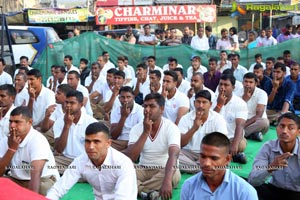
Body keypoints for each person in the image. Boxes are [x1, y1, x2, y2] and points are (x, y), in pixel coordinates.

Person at [47, 122, 137, 199]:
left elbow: (123, 198)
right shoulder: (81, 161)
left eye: (96, 142)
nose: (91, 147)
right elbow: (58, 189)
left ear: (108, 143)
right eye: (87, 141)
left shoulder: (123, 163)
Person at [126, 93, 181, 200]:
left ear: (162, 109)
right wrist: (146, 132)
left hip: (164, 169)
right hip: (143, 169)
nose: (147, 109)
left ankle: (137, 188)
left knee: (173, 175)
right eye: (145, 106)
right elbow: (131, 157)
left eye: (152, 106)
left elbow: (174, 155)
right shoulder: (136, 129)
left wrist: (167, 180)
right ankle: (149, 191)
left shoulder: (171, 128)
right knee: (120, 171)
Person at [0, 106, 60, 195]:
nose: (12, 125)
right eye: (10, 121)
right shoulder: (6, 140)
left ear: (30, 122)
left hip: (43, 179)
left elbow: (36, 176)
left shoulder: (38, 140)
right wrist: (11, 149)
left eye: (17, 122)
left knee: (42, 189)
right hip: (18, 180)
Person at [181, 132, 258, 200]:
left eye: (214, 158)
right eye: (203, 156)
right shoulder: (189, 185)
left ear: (227, 159)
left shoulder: (245, 192)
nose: (206, 163)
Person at [248, 113, 300, 200]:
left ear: (298, 132)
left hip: (297, 193)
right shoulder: (268, 147)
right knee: (249, 189)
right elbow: (253, 180)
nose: (284, 131)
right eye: (281, 126)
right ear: (276, 128)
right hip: (274, 190)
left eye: (290, 128)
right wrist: (271, 167)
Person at [178, 91, 227, 173]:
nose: (200, 105)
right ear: (194, 103)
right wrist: (194, 128)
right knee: (171, 154)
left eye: (204, 102)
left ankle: (193, 167)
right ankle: (201, 169)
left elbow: (222, 143)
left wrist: (209, 156)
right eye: (198, 102)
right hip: (188, 153)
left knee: (221, 158)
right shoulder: (185, 118)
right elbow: (181, 143)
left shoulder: (218, 118)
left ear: (210, 104)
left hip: (209, 154)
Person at [53, 90, 97, 173]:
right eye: (66, 102)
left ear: (81, 105)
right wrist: (67, 126)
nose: (68, 106)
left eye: (72, 103)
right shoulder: (59, 122)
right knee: (47, 165)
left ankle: (74, 174)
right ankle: (76, 174)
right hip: (66, 160)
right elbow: (59, 149)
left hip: (86, 161)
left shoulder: (91, 122)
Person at [213, 74, 248, 164]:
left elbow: (240, 125)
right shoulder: (212, 100)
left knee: (241, 144)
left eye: (226, 85)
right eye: (220, 84)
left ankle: (221, 155)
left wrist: (235, 145)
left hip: (231, 138)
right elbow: (210, 120)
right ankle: (232, 156)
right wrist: (219, 105)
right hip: (214, 137)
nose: (222, 87)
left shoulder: (240, 103)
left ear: (233, 87)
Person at [237, 73, 269, 142]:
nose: (248, 84)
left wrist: (243, 126)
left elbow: (258, 115)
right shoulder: (237, 93)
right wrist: (244, 100)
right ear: (242, 82)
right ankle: (252, 135)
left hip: (255, 122)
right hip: (241, 120)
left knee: (264, 122)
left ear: (256, 83)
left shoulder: (262, 94)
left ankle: (240, 134)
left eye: (251, 82)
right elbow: (235, 111)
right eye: (246, 81)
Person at [110, 86, 144, 151]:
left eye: (128, 97)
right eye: (123, 97)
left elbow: (141, 133)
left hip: (134, 141)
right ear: (119, 98)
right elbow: (114, 136)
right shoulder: (115, 111)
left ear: (133, 97)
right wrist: (123, 117)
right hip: (119, 141)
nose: (125, 100)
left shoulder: (140, 111)